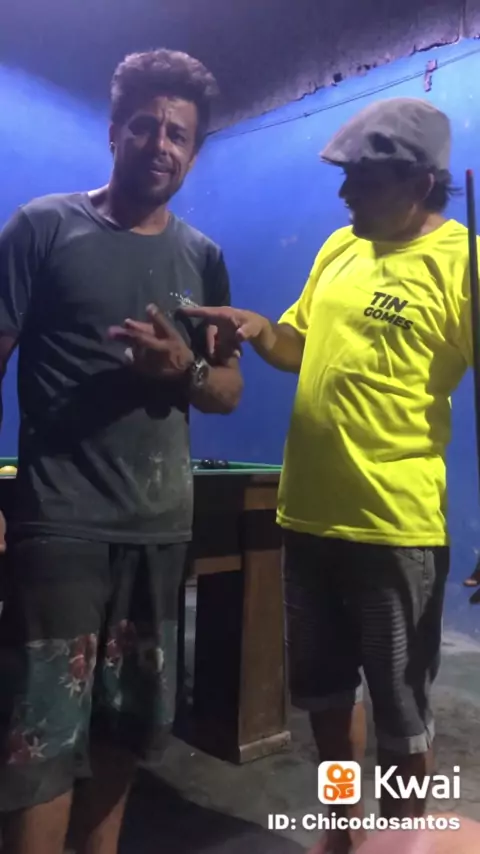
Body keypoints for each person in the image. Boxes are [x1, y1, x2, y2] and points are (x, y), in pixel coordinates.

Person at [176, 98, 477, 853]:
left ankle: (401, 842)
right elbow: (299, 346)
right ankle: (342, 831)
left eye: (362, 180)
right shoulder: (341, 247)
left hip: (395, 527)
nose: (344, 195)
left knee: (401, 713)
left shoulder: (463, 265)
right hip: (306, 516)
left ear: (421, 181)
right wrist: (259, 329)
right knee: (327, 699)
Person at [0, 48, 242, 854]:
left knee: (123, 733)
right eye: (145, 126)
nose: (159, 145)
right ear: (113, 132)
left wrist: (185, 371)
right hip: (59, 527)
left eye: (178, 134)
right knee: (39, 744)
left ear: (194, 152)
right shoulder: (42, 228)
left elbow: (227, 390)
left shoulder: (203, 257)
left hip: (159, 529)